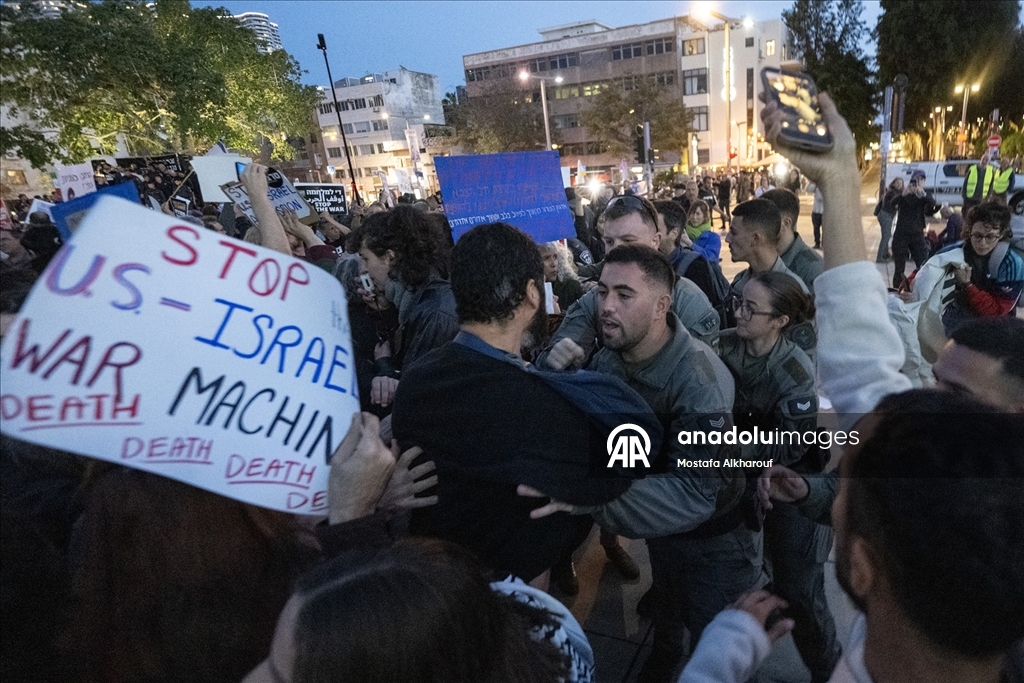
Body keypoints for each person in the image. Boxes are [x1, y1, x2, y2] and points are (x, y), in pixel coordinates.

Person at [529, 245, 762, 683]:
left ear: (661, 306)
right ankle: (664, 655)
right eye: (602, 292)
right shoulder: (611, 358)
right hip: (658, 523)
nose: (606, 306)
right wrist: (554, 370)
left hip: (716, 541)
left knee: (718, 642)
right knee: (667, 605)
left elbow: (694, 494)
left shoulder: (699, 383)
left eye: (624, 294)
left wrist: (590, 496)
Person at [391, 222, 651, 583]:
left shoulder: (416, 380)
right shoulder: (542, 405)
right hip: (516, 588)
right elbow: (636, 452)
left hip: (435, 579)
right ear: (532, 293)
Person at [718, 271, 840, 682]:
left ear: (780, 321)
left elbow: (791, 444)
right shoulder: (722, 345)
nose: (739, 313)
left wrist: (726, 449)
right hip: (741, 477)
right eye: (738, 302)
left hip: (793, 485)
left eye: (751, 308)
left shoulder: (794, 369)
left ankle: (828, 669)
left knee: (801, 591)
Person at [537, 194, 720, 368]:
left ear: (655, 241)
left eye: (628, 240)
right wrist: (558, 358)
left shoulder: (688, 301)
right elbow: (555, 356)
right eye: (609, 242)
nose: (616, 250)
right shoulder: (596, 299)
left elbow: (705, 377)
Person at [358, 205, 459, 409]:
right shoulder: (415, 299)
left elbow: (417, 392)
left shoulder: (435, 312)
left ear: (390, 257)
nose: (364, 270)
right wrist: (385, 311)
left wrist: (385, 367)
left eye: (366, 259)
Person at [942, 201, 1024, 332]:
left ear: (1001, 234)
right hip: (958, 316)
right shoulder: (955, 250)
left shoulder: (1011, 263)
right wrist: (911, 287)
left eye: (990, 236)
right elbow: (925, 270)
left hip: (995, 326)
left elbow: (997, 312)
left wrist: (967, 285)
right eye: (977, 236)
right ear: (970, 231)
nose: (982, 243)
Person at [726, 199, 810, 305]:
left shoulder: (791, 292)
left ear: (755, 238)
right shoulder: (740, 281)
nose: (727, 239)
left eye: (734, 233)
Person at [760, 188, 824, 293]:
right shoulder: (764, 258)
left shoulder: (812, 268)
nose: (758, 226)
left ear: (785, 223)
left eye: (764, 220)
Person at [890, 169, 939, 289]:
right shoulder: (904, 194)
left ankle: (919, 287)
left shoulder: (923, 195)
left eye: (922, 180)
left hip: (917, 234)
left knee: (923, 263)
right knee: (899, 268)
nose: (919, 182)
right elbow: (891, 203)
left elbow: (933, 204)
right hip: (901, 233)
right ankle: (896, 289)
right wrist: (903, 194)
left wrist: (923, 194)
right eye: (916, 180)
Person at [539, 241, 583, 311]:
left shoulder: (571, 288)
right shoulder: (529, 293)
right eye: (546, 258)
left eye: (555, 257)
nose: (553, 264)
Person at [874, 178, 903, 262]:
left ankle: (885, 254)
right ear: (893, 183)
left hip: (884, 215)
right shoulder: (892, 193)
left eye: (901, 183)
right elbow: (894, 203)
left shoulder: (893, 191)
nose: (899, 185)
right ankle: (879, 257)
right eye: (897, 183)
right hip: (886, 216)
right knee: (886, 237)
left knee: (886, 235)